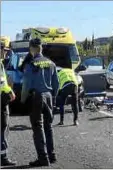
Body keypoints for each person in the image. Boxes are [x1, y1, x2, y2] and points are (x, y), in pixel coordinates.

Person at [21, 38, 59, 167]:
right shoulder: (51, 63)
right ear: (41, 48)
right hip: (48, 96)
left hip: (36, 97)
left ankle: (43, 158)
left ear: (31, 48)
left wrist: (23, 100)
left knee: (38, 128)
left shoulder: (31, 64)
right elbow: (56, 84)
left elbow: (26, 85)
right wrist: (53, 98)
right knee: (48, 126)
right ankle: (52, 155)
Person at [1, 43, 16, 166]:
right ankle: (3, 157)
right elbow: (1, 83)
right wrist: (10, 91)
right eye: (3, 50)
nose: (5, 53)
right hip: (2, 99)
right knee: (3, 127)